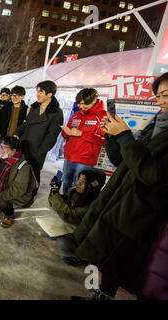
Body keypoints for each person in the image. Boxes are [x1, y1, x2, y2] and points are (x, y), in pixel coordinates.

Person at [63, 72, 168, 300]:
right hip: (118, 204)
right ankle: (96, 296)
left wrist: (125, 136)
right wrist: (114, 137)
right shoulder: (156, 126)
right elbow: (125, 162)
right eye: (159, 96)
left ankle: (102, 295)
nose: (160, 102)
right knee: (103, 262)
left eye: (166, 95)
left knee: (113, 266)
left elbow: (151, 174)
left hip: (139, 215)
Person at [0, 136, 38, 228]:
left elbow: (18, 190)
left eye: (4, 147)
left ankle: (9, 215)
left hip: (17, 195)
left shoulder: (24, 166)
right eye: (0, 146)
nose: (0, 150)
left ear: (14, 150)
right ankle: (0, 204)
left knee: (2, 201)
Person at [13, 80, 64, 187]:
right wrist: (17, 132)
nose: (37, 94)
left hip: (37, 149)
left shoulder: (56, 113)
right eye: (37, 91)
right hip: (23, 145)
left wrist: (40, 151)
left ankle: (29, 197)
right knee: (18, 171)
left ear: (50, 94)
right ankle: (15, 193)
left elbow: (52, 136)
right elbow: (26, 123)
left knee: (32, 176)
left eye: (41, 92)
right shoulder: (35, 107)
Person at [60, 88, 107, 194]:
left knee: (79, 185)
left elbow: (102, 140)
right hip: (69, 156)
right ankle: (65, 201)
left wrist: (81, 134)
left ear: (94, 100)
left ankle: (75, 205)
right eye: (79, 104)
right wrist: (67, 132)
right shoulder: (77, 114)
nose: (81, 106)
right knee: (66, 180)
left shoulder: (102, 116)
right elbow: (65, 133)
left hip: (85, 160)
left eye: (84, 104)